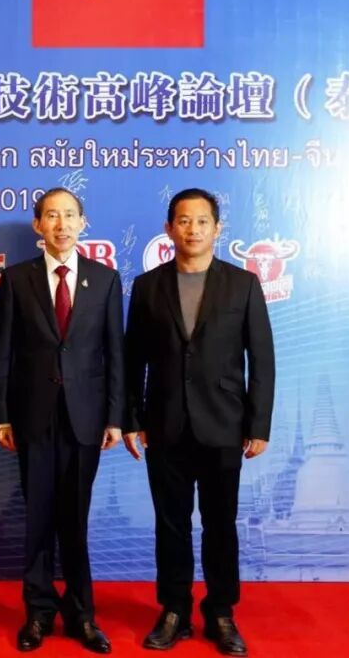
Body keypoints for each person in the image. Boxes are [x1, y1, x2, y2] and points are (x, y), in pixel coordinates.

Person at [124, 188, 275, 656]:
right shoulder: (148, 286)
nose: (193, 230)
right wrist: (132, 418)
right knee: (170, 525)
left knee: (220, 525)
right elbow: (133, 360)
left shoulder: (242, 284)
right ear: (169, 228)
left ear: (217, 228)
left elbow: (262, 359)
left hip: (224, 424)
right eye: (184, 221)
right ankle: (174, 610)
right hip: (164, 423)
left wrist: (259, 424)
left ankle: (221, 612)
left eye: (202, 221)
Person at [0, 187, 124, 654]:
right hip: (33, 417)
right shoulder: (16, 279)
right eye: (52, 215)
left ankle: (82, 615)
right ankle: (38, 611)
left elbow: (115, 353)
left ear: (83, 223)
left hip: (85, 418)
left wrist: (115, 416)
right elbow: (2, 352)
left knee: (75, 520)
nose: (61, 224)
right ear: (38, 225)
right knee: (37, 519)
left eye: (70, 215)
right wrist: (2, 416)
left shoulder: (105, 280)